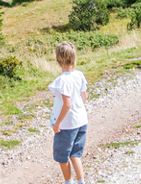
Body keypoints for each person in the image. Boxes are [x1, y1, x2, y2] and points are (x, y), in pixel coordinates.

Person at [49, 41, 90, 184]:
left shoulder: (62, 80)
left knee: (62, 156)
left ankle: (68, 181)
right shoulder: (79, 75)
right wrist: (78, 110)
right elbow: (84, 96)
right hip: (81, 120)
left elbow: (67, 104)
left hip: (67, 125)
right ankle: (81, 181)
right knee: (75, 154)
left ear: (58, 59)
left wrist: (57, 123)